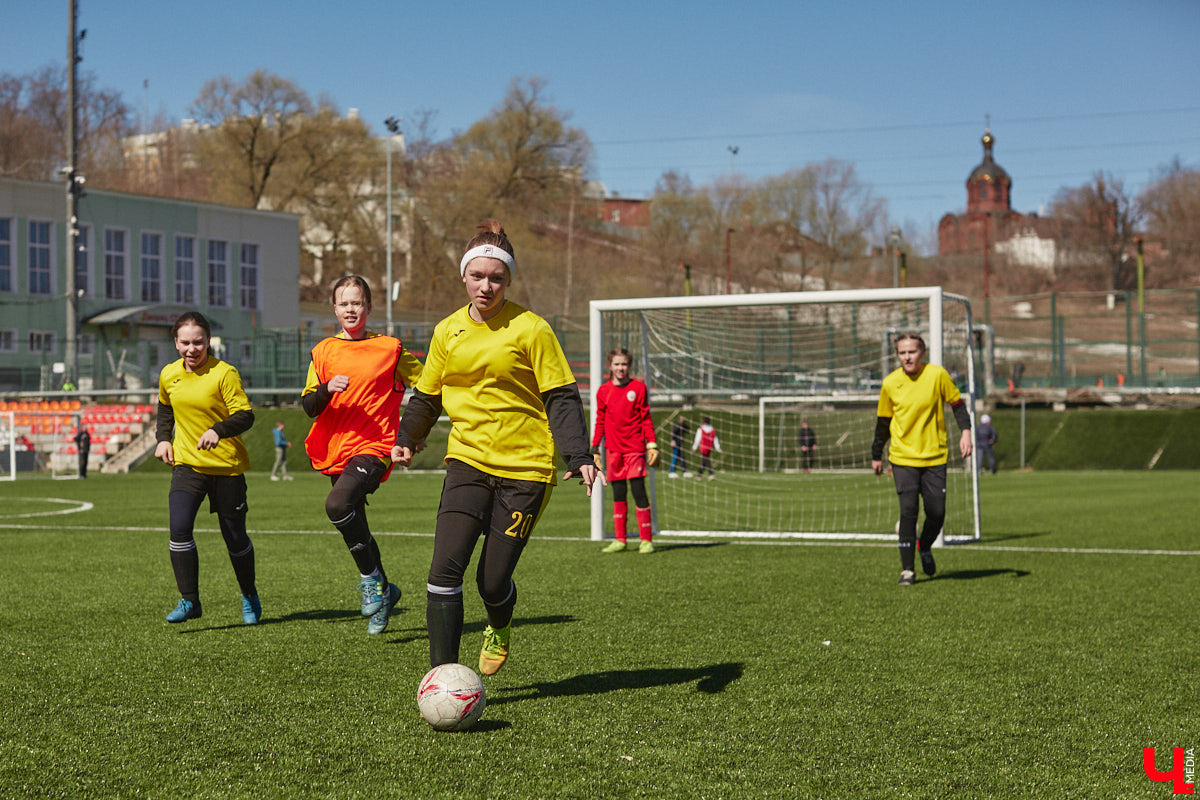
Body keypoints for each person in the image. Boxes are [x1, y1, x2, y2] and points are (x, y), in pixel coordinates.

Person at [393, 219, 601, 677]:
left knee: (491, 581)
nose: (486, 286)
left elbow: (560, 396)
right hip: (467, 460)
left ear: (508, 279)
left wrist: (579, 455)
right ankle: (441, 677)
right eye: (477, 276)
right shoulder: (448, 331)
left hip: (525, 470)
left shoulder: (532, 328)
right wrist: (407, 438)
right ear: (463, 275)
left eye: (496, 278)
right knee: (443, 571)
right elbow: (427, 395)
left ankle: (499, 624)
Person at [302, 274, 423, 636]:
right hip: (335, 448)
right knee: (356, 523)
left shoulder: (391, 348)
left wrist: (412, 435)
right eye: (344, 302)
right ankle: (386, 591)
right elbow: (309, 405)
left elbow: (429, 385)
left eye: (358, 302)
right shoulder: (323, 351)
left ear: (369, 307)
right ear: (335, 308)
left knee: (337, 506)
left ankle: (370, 580)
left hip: (375, 446)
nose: (351, 308)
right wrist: (326, 389)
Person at [154, 311, 260, 624]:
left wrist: (218, 430)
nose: (192, 348)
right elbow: (164, 410)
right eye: (185, 342)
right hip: (187, 464)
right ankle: (189, 601)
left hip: (226, 467)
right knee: (179, 528)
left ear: (208, 341)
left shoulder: (225, 373)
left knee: (235, 538)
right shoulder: (168, 375)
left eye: (198, 342)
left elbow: (245, 415)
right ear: (176, 343)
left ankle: (249, 595)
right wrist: (163, 440)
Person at [871, 332, 973, 587]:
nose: (907, 357)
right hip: (902, 458)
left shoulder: (937, 375)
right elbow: (883, 422)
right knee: (908, 512)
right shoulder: (890, 383)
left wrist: (966, 433)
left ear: (922, 352)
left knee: (937, 513)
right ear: (897, 355)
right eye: (902, 353)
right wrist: (876, 455)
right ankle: (908, 570)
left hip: (935, 456)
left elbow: (957, 404)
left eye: (912, 351)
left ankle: (924, 546)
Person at [592, 348, 658, 554]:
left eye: (624, 364)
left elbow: (645, 417)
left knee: (639, 491)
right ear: (610, 366)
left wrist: (652, 443)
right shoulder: (603, 391)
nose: (621, 368)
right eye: (617, 364)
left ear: (630, 366)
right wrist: (595, 447)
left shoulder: (638, 388)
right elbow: (600, 420)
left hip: (634, 449)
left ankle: (646, 540)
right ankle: (620, 540)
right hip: (613, 450)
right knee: (618, 493)